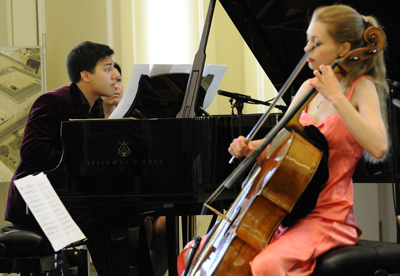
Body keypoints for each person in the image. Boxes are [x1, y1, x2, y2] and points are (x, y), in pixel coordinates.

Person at [178, 4, 388, 276]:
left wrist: (337, 96)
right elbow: (279, 141)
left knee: (268, 265)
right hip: (287, 212)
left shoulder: (362, 89)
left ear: (343, 49)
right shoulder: (307, 88)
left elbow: (379, 146)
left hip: (327, 218)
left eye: (317, 42)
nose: (306, 48)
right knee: (194, 253)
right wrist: (249, 146)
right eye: (307, 40)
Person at [4, 41, 120, 275]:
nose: (116, 75)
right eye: (107, 69)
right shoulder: (53, 101)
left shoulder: (94, 108)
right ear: (85, 75)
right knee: (103, 220)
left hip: (66, 197)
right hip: (35, 201)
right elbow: (31, 150)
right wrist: (77, 163)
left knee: (117, 218)